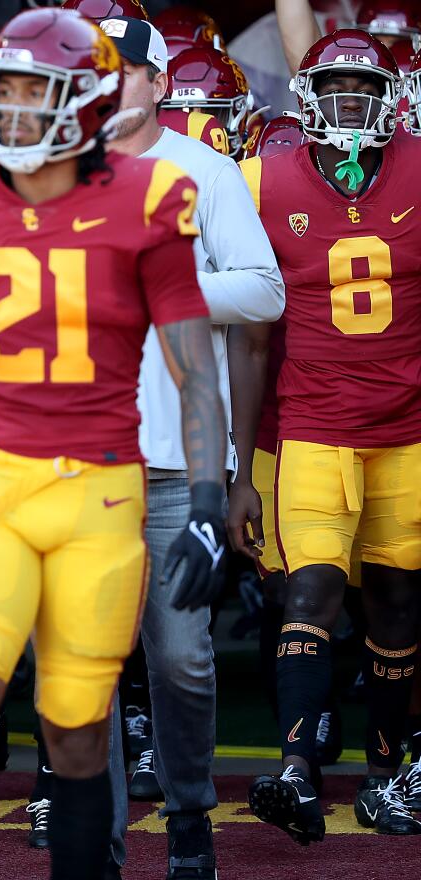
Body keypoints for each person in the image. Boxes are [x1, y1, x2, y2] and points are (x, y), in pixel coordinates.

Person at [0, 10, 227, 880]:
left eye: (38, 91)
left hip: (100, 494)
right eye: (5, 91)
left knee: (74, 729)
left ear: (89, 101)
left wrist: (212, 501)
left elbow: (195, 373)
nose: (15, 109)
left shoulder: (152, 198)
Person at [102, 14, 285, 876]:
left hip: (178, 462)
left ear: (158, 82)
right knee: (80, 662)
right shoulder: (42, 173)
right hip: (76, 459)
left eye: (120, 69)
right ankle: (89, 833)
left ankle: (187, 821)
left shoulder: (204, 170)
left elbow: (263, 292)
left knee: (180, 661)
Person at [232, 29, 421, 841]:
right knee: (309, 591)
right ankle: (297, 770)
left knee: (397, 603)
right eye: (333, 89)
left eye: (364, 90)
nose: (348, 105)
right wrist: (242, 465)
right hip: (311, 429)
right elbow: (244, 335)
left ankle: (386, 771)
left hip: (409, 431)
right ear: (306, 100)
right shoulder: (259, 179)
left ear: (393, 99)